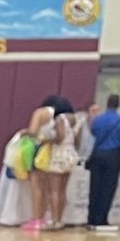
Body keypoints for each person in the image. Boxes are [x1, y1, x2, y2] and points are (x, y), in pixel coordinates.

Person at [84, 93, 120, 233]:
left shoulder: (98, 120)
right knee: (108, 188)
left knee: (95, 186)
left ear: (107, 104)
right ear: (118, 105)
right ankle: (102, 219)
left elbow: (93, 133)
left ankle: (91, 218)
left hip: (97, 154)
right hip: (113, 155)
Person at [32, 98, 78, 231]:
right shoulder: (76, 120)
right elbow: (77, 141)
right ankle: (60, 219)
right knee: (62, 190)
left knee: (54, 190)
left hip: (58, 154)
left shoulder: (60, 119)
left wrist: (46, 141)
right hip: (71, 154)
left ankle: (54, 220)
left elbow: (60, 137)